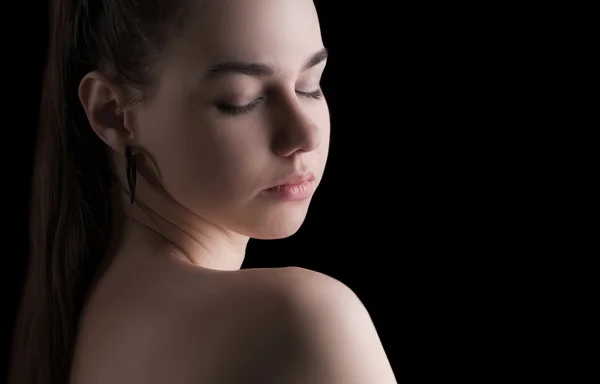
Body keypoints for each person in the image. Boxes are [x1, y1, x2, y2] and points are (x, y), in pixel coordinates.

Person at [9, 0, 397, 383]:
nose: (305, 134)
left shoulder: (80, 323)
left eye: (310, 86)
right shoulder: (303, 319)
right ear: (113, 113)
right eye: (242, 100)